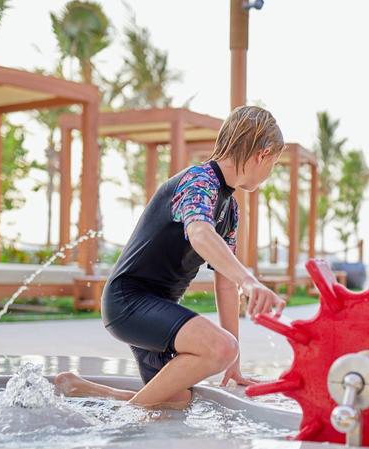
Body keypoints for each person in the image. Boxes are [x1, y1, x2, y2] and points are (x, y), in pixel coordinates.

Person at [55, 106, 286, 409]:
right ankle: (125, 415)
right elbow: (200, 233)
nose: (270, 172)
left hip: (157, 308)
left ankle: (80, 388)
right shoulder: (199, 181)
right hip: (129, 301)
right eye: (275, 163)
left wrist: (234, 364)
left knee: (175, 400)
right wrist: (249, 280)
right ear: (263, 154)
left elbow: (226, 284)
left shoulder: (229, 208)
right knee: (219, 347)